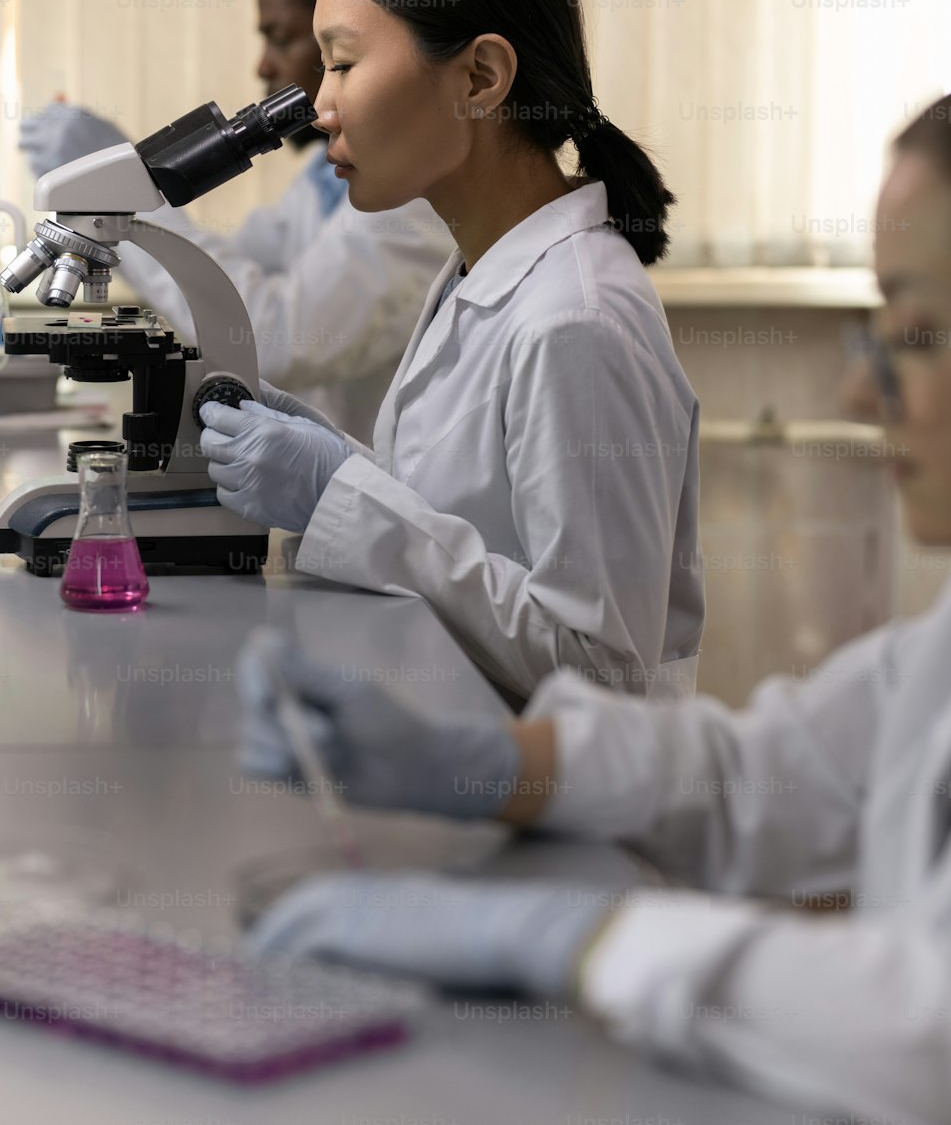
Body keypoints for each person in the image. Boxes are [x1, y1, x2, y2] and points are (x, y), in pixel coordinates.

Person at [228, 94, 951, 1124]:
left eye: (916, 334)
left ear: (477, 76)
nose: (861, 395)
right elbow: (760, 777)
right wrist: (471, 766)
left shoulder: (579, 311)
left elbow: (928, 1034)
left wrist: (568, 940)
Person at [199, 0, 704, 704]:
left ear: (480, 78)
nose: (319, 104)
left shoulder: (576, 319)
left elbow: (605, 669)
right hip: (454, 748)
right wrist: (334, 460)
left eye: (343, 63)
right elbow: (464, 528)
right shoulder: (479, 273)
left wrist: (339, 495)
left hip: (559, 808)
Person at [18, 0, 454, 443]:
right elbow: (225, 274)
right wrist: (123, 193)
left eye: (284, 40)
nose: (265, 68)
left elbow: (276, 339)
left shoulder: (414, 195)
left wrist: (127, 196)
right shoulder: (322, 179)